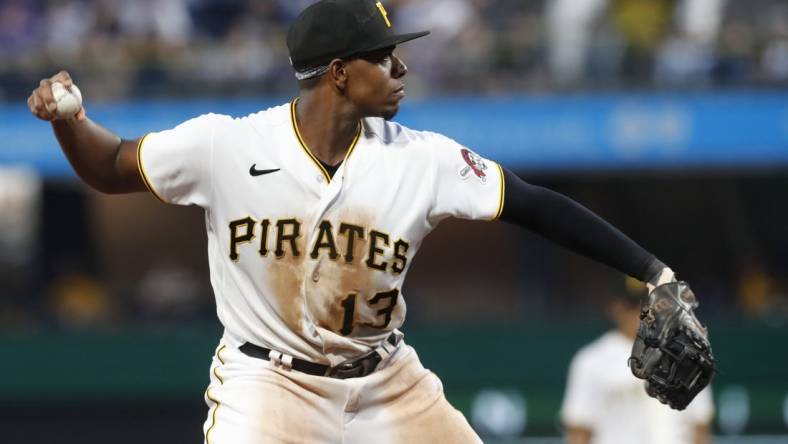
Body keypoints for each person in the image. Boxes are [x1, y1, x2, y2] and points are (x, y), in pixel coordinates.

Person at [28, 1, 687, 442]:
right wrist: (69, 122)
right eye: (385, 57)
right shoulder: (226, 146)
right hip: (270, 383)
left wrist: (654, 271)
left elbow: (537, 206)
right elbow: (112, 165)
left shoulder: (421, 160)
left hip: (386, 380)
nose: (402, 69)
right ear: (340, 73)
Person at [560, 279, 714, 444]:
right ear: (615, 307)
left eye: (649, 306)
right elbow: (579, 430)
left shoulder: (687, 354)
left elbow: (700, 426)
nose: (642, 314)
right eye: (632, 307)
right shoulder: (591, 360)